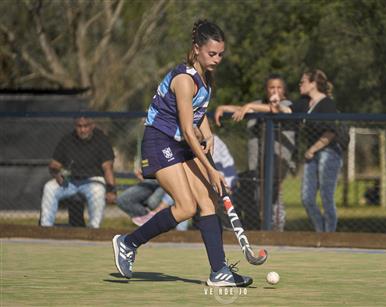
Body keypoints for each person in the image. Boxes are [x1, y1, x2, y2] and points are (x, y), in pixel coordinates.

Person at [112, 20, 252, 287]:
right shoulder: (184, 80)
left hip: (179, 142)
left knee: (207, 202)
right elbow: (188, 131)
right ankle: (128, 243)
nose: (217, 59)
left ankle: (219, 271)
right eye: (212, 53)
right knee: (186, 206)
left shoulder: (206, 77)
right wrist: (212, 169)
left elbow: (199, 115)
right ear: (197, 49)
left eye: (221, 54)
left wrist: (209, 134)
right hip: (159, 140)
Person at [214, 74, 295, 231]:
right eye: (272, 87)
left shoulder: (287, 104)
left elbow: (275, 109)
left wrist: (249, 107)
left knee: (274, 193)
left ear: (284, 90)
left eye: (279, 88)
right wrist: (223, 108)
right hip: (259, 160)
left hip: (279, 160)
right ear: (266, 89)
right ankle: (263, 226)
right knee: (259, 195)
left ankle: (278, 228)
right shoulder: (257, 104)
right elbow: (243, 109)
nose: (275, 91)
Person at [290, 69, 343, 232]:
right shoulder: (305, 103)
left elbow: (331, 132)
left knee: (327, 197)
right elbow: (287, 110)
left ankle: (330, 235)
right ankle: (321, 232)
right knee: (307, 198)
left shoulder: (327, 104)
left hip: (329, 152)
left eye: (303, 82)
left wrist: (312, 149)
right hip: (312, 154)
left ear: (313, 84)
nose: (300, 85)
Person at [40, 116, 116, 228]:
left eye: (86, 126)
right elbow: (54, 165)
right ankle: (46, 227)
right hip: (69, 181)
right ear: (75, 126)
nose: (82, 130)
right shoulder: (67, 140)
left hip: (92, 181)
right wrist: (57, 174)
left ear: (92, 125)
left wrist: (111, 190)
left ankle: (94, 229)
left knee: (98, 192)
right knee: (49, 188)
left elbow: (108, 168)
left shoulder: (102, 141)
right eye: (79, 126)